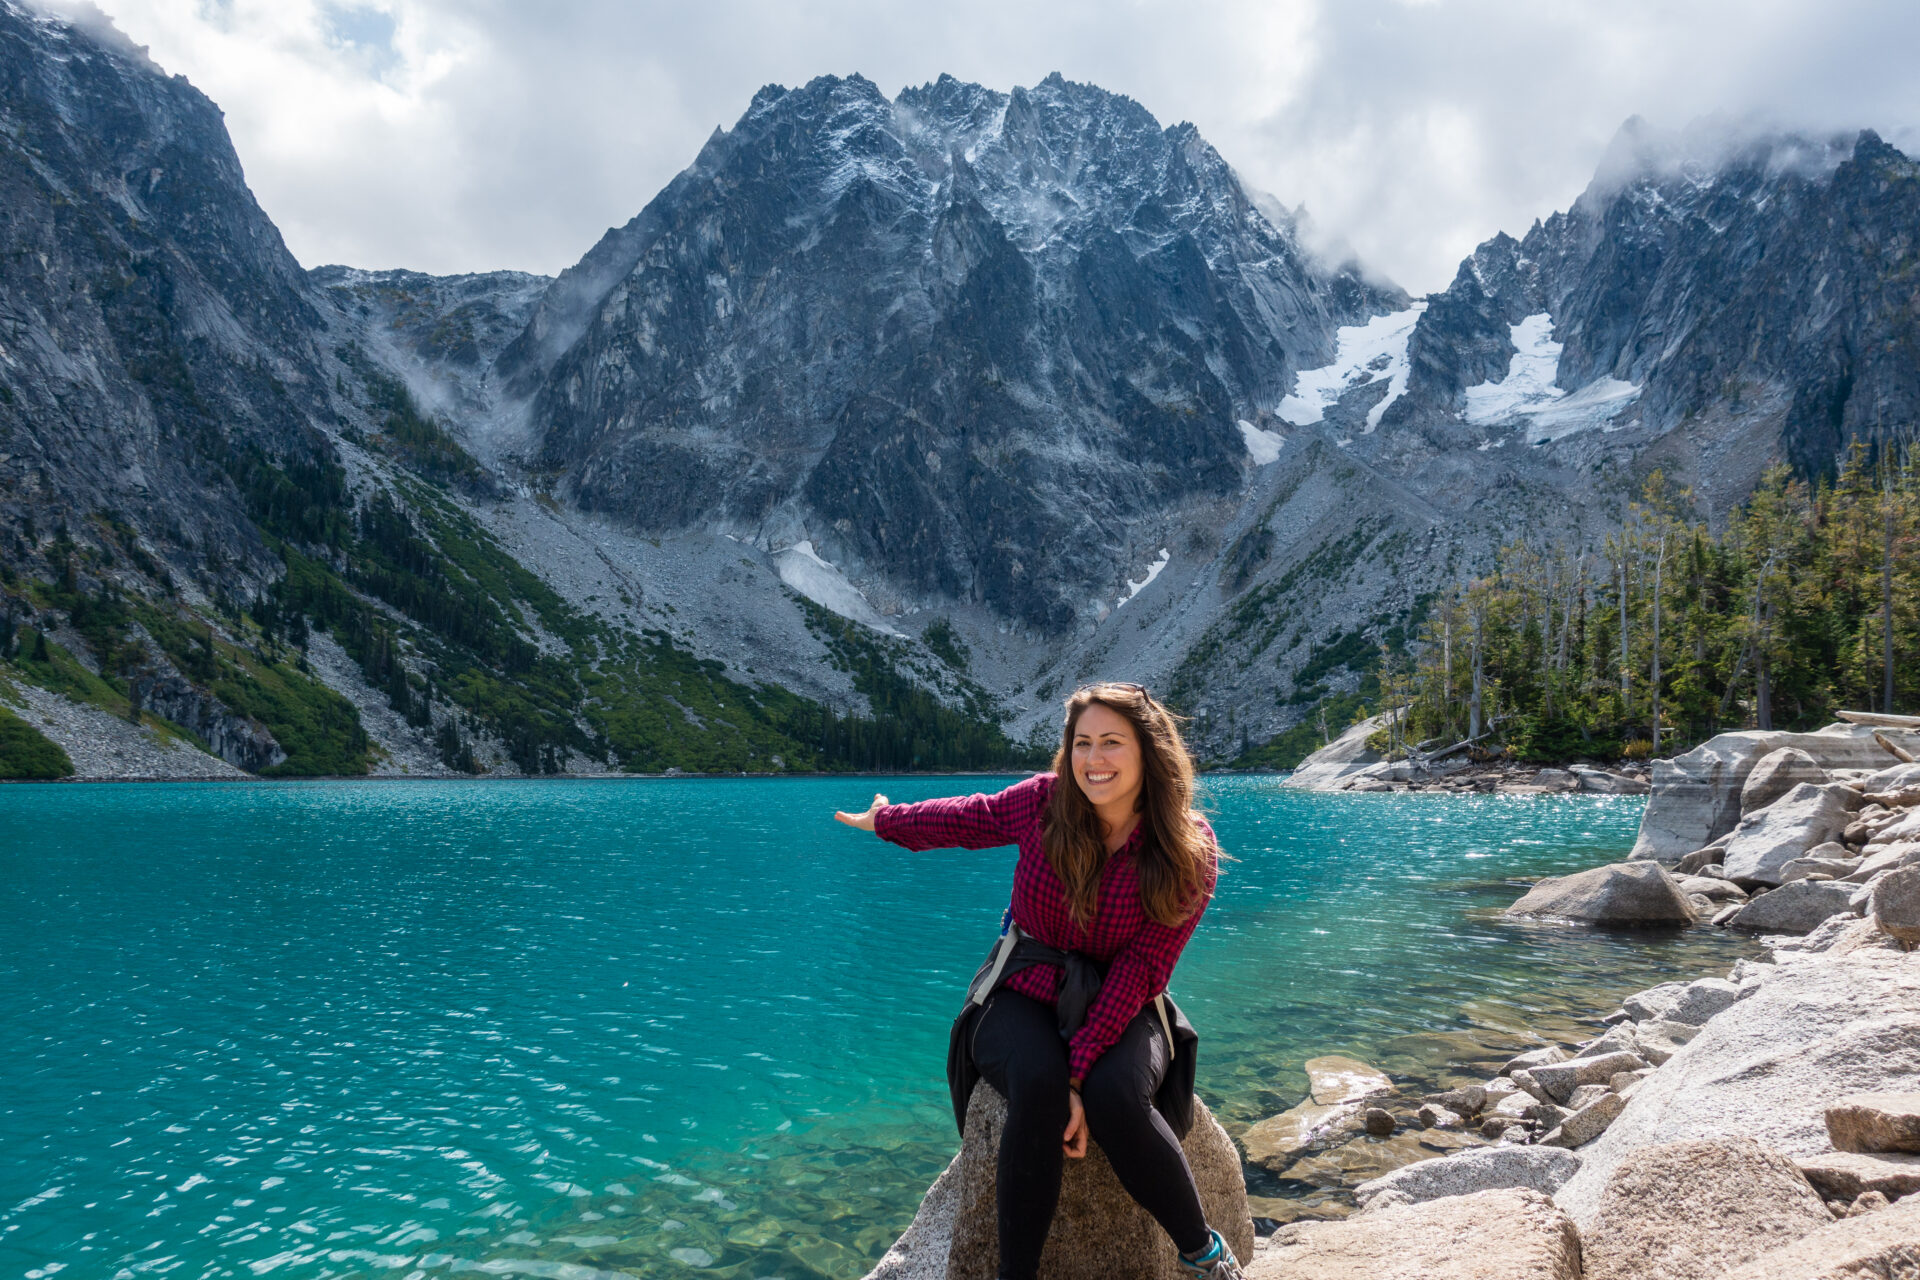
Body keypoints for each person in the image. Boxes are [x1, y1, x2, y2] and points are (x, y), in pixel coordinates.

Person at [834, 682, 1246, 1280]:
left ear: (1149, 750)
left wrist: (1081, 1070)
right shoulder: (1046, 803)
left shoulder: (1189, 847)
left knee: (1113, 1097)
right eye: (1082, 743)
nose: (1092, 760)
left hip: (1124, 1000)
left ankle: (1203, 1254)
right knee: (1037, 1081)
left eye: (1111, 743)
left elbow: (1142, 969)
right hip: (1022, 983)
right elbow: (972, 818)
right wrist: (888, 820)